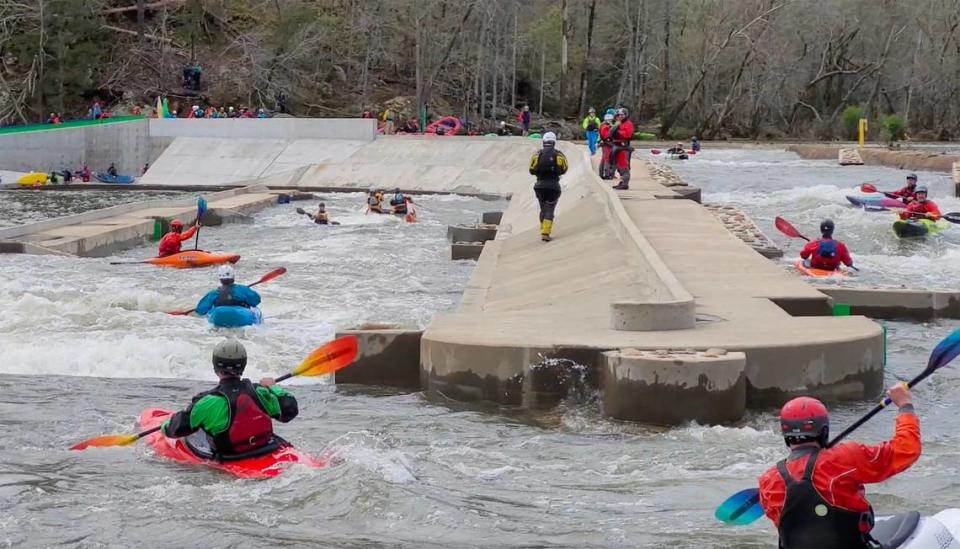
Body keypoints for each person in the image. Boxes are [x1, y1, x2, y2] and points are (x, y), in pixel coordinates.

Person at [758, 384, 920, 548]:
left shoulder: (768, 481)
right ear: (824, 431)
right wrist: (905, 405)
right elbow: (906, 450)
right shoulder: (844, 458)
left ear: (786, 435)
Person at [161, 339, 298, 461]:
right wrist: (274, 387)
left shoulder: (206, 403)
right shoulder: (261, 392)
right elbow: (289, 411)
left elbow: (175, 430)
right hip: (265, 448)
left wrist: (164, 426)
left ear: (215, 368)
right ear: (243, 366)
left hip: (231, 457)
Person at [528, 132, 568, 242]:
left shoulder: (537, 154)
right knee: (550, 208)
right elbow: (564, 169)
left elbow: (531, 169)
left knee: (543, 209)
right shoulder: (559, 155)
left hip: (539, 186)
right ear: (554, 142)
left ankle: (543, 228)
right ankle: (545, 232)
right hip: (554, 186)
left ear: (543, 142)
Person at [195, 265, 261, 315]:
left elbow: (200, 310)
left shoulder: (214, 293)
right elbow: (256, 301)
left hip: (220, 315)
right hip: (240, 315)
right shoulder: (242, 289)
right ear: (233, 277)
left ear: (220, 279)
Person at [610, 107, 635, 190]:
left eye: (622, 115)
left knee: (624, 165)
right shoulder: (618, 123)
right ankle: (622, 181)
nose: (620, 116)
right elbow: (611, 133)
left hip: (623, 147)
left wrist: (617, 132)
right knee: (618, 165)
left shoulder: (628, 124)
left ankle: (625, 183)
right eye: (619, 115)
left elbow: (627, 134)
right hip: (616, 145)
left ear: (625, 115)